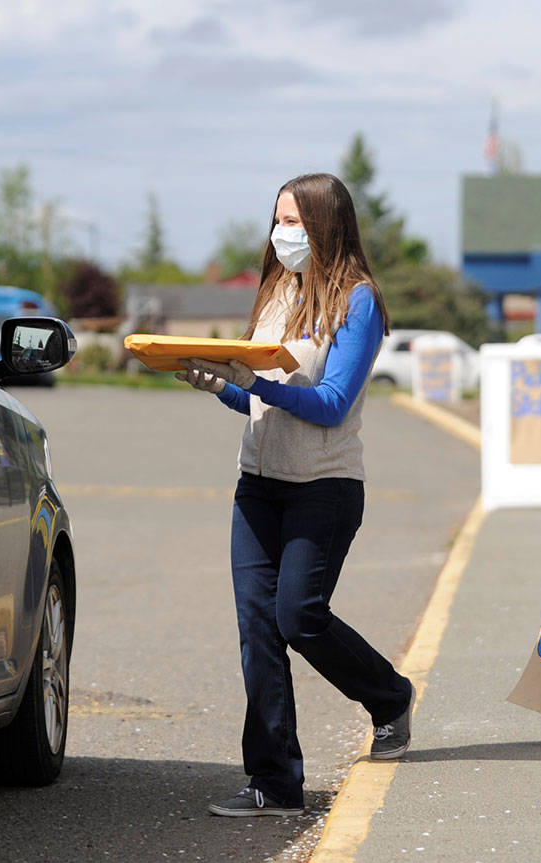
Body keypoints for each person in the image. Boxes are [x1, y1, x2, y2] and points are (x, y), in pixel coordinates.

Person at [176, 172, 414, 817]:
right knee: (258, 629)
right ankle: (275, 784)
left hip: (325, 487)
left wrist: (254, 385)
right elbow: (258, 401)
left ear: (328, 227)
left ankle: (390, 698)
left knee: (298, 616)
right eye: (278, 220)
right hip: (257, 485)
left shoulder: (357, 301)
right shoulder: (277, 292)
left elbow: (333, 405)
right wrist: (220, 385)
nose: (284, 234)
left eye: (298, 223)